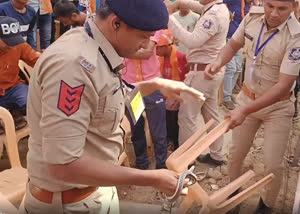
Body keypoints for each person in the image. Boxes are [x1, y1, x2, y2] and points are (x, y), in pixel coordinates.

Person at [23, 0, 204, 213]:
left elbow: (106, 99)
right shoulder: (73, 67)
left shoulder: (95, 44)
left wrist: (153, 85)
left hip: (91, 193)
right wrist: (151, 178)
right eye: (144, 36)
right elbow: (63, 165)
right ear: (116, 23)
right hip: (69, 202)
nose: (146, 45)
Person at [204, 0, 300, 213]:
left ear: (294, 6)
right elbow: (233, 45)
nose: (273, 13)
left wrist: (243, 110)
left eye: (282, 8)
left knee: (273, 165)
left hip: (277, 108)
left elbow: (283, 85)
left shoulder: (297, 37)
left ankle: (266, 205)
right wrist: (218, 62)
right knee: (235, 155)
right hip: (247, 98)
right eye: (270, 6)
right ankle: (233, 196)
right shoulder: (252, 17)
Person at [166, 0, 230, 166]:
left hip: (202, 73)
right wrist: (180, 2)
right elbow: (200, 7)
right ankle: (217, 155)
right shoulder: (217, 8)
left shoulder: (214, 14)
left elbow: (192, 41)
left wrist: (168, 18)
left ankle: (186, 160)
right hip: (209, 71)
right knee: (211, 114)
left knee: (187, 116)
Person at [122, 30, 169, 170]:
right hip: (132, 88)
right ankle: (142, 163)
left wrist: (122, 51)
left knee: (158, 130)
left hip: (152, 87)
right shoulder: (122, 27)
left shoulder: (152, 26)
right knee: (137, 128)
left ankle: (161, 166)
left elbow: (147, 52)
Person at [0, 16, 39, 134]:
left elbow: (38, 61)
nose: (12, 46)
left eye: (14, 41)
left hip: (13, 88)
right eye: (7, 42)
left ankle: (12, 112)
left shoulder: (19, 45)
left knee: (34, 100)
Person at [156, 29, 189, 150]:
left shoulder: (181, 58)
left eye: (157, 47)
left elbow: (188, 79)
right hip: (165, 95)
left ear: (166, 46)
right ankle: (169, 140)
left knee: (175, 121)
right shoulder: (158, 59)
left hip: (180, 96)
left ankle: (176, 145)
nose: (155, 50)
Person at [222, 0, 255, 110]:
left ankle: (229, 93)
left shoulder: (253, 5)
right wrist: (226, 12)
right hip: (228, 39)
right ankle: (226, 98)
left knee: (238, 69)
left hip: (241, 41)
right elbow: (221, 4)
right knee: (230, 68)